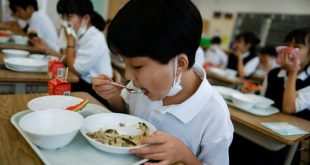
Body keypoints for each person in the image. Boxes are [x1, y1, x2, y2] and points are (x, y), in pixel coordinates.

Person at [92, 0, 234, 164]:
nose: (129, 75)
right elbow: (125, 113)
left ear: (179, 64)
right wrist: (113, 96)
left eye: (137, 66)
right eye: (124, 61)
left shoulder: (214, 114)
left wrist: (184, 156)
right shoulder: (142, 85)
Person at [31, 0, 113, 107]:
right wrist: (47, 49)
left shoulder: (95, 39)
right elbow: (68, 60)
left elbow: (76, 70)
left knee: (51, 96)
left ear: (86, 18)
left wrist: (70, 42)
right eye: (63, 16)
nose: (64, 21)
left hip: (96, 92)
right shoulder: (81, 34)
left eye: (68, 16)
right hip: (82, 83)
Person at [263, 28, 310, 120]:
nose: (289, 50)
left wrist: (293, 72)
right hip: (265, 122)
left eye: (297, 46)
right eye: (287, 45)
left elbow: (288, 108)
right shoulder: (274, 73)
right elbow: (264, 100)